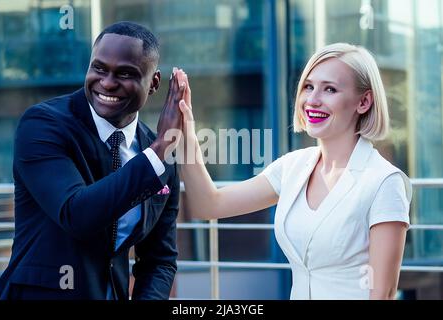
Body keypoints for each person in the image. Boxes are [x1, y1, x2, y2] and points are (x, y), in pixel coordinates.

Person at [175, 43, 412, 299]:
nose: (312, 100)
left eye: (330, 89)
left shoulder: (384, 182)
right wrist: (184, 130)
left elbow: (383, 293)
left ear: (364, 101)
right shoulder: (293, 167)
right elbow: (209, 205)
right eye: (309, 86)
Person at [0, 21, 187, 300]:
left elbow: (160, 260)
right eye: (99, 68)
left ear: (154, 82)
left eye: (125, 73)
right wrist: (157, 154)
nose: (107, 82)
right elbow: (77, 214)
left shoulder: (159, 153)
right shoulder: (42, 125)